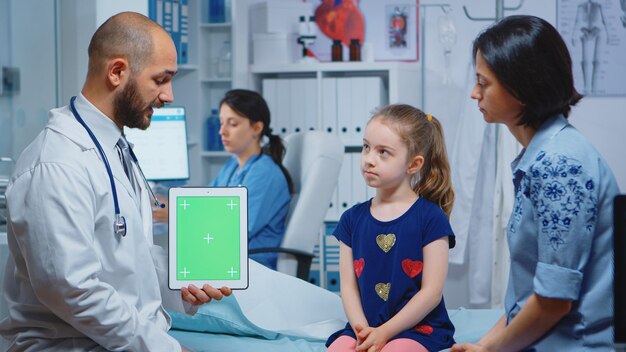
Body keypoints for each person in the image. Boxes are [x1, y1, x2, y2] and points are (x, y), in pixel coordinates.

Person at [0, 12, 230, 351]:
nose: (168, 96)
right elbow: (73, 291)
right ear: (117, 72)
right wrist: (165, 348)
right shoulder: (57, 164)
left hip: (127, 338)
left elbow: (130, 256)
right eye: (160, 80)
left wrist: (179, 287)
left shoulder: (114, 149)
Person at [451, 15, 619, 352]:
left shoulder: (559, 165)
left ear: (521, 88)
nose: (474, 93)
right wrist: (483, 345)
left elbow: (553, 302)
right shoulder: (543, 155)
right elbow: (528, 296)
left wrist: (489, 350)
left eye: (483, 83)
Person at [326, 104, 456, 352]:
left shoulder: (431, 219)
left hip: (417, 328)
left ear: (413, 164)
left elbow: (431, 294)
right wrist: (361, 330)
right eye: (366, 147)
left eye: (383, 152)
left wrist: (385, 333)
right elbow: (348, 287)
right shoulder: (351, 219)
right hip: (364, 325)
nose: (369, 159)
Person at [154, 89, 293, 270]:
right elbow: (207, 205)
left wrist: (176, 215)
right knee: (156, 262)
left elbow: (233, 229)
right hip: (225, 258)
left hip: (250, 267)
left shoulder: (264, 173)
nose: (222, 131)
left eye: (232, 124)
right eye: (221, 123)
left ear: (257, 128)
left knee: (159, 271)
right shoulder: (233, 166)